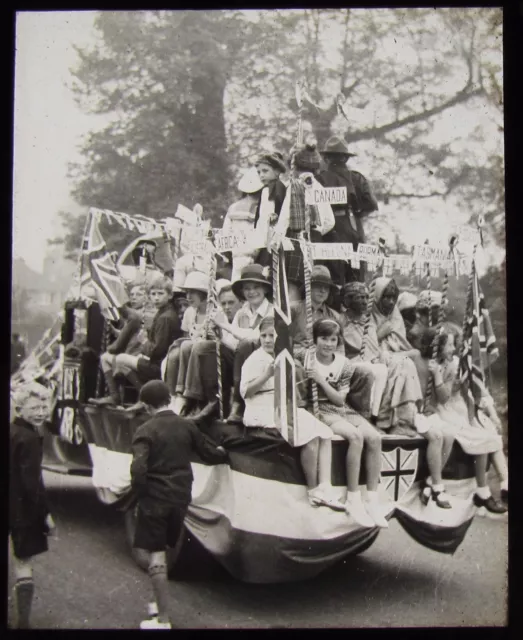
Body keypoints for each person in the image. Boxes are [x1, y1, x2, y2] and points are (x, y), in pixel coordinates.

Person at [130, 380, 228, 629]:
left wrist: (141, 496)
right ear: (169, 399)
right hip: (181, 497)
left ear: (148, 406)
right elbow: (210, 453)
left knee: (155, 555)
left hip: (154, 499)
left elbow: (138, 470)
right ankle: (158, 603)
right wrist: (226, 450)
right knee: (162, 550)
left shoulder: (145, 430)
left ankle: (163, 619)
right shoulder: (187, 426)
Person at [240, 316, 344, 511]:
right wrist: (267, 375)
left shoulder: (280, 356)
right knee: (311, 437)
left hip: (280, 406)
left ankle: (325, 486)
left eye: (273, 335)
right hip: (260, 410)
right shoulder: (255, 359)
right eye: (264, 335)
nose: (268, 340)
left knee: (325, 432)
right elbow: (245, 392)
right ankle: (313, 491)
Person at [416, 326, 508, 513]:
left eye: (453, 344)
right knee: (480, 439)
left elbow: (445, 395)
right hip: (439, 413)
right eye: (449, 344)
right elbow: (440, 400)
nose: (453, 348)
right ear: (438, 346)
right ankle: (478, 491)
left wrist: (438, 375)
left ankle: (484, 490)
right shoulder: (427, 361)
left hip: (448, 410)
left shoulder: (452, 365)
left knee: (486, 438)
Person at [306, 319, 387, 527]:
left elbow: (340, 400)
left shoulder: (343, 364)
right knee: (355, 436)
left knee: (375, 438)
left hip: (340, 407)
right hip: (321, 409)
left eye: (333, 339)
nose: (328, 344)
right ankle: (353, 498)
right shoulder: (307, 358)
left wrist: (321, 380)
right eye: (323, 338)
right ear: (315, 339)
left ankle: (371, 499)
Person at [341, 278, 423, 432]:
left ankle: (403, 417)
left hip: (385, 356)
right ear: (377, 297)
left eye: (394, 298)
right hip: (369, 358)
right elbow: (364, 344)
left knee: (408, 362)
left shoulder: (394, 316)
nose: (391, 302)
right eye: (386, 297)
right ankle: (384, 416)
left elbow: (400, 342)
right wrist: (382, 334)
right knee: (400, 365)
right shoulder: (366, 315)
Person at [10, 383, 56, 629]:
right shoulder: (30, 438)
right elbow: (32, 484)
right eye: (35, 407)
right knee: (23, 562)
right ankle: (23, 623)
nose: (41, 412)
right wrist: (45, 514)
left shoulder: (10, 431)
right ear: (19, 408)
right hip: (21, 510)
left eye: (44, 406)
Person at [212, 264, 274, 424]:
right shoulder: (242, 313)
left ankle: (238, 404)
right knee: (209, 347)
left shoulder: (273, 311)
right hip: (243, 359)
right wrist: (217, 334)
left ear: (265, 289)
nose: (251, 292)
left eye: (256, 287)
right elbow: (233, 343)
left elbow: (255, 338)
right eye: (247, 288)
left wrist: (225, 325)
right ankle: (207, 403)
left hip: (265, 360)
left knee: (246, 343)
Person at [270, 141, 335, 289]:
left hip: (296, 238)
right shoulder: (319, 187)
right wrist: (317, 231)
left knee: (294, 284)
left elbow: (285, 217)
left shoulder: (295, 186)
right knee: (313, 282)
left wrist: (276, 239)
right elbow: (330, 221)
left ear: (296, 167)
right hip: (316, 240)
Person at [316, 136, 378, 285]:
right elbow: (370, 204)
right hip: (353, 225)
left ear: (326, 159)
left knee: (333, 271)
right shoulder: (357, 178)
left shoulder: (319, 179)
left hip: (329, 228)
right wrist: (355, 211)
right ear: (346, 158)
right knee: (355, 271)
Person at [183, 280, 242, 424]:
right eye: (224, 304)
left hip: (242, 361)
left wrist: (220, 335)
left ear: (240, 302)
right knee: (190, 346)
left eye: (231, 303)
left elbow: (237, 346)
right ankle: (196, 399)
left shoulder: (241, 315)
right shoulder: (224, 317)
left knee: (202, 348)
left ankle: (197, 399)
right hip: (228, 359)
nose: (227, 307)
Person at [92, 282, 156, 407]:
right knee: (107, 358)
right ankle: (114, 396)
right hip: (134, 352)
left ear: (146, 297)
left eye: (139, 294)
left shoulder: (142, 314)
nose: (134, 297)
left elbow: (120, 345)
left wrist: (113, 347)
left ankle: (145, 396)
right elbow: (131, 335)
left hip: (144, 354)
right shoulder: (134, 316)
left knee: (116, 360)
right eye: (132, 294)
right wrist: (117, 332)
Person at [116, 275, 182, 398]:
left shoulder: (165, 318)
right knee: (125, 358)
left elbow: (158, 350)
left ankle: (145, 397)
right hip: (158, 361)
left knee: (120, 359)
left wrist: (144, 341)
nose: (156, 298)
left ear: (170, 295)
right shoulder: (164, 313)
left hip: (159, 366)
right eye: (153, 294)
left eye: (160, 294)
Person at [163, 271, 209, 415]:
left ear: (203, 293)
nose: (188, 297)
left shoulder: (214, 311)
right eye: (187, 293)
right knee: (174, 354)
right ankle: (173, 396)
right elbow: (186, 335)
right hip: (190, 349)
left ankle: (185, 396)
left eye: (192, 293)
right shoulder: (190, 312)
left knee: (187, 347)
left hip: (205, 352)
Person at [290, 265, 342, 363]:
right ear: (309, 287)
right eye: (318, 286)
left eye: (326, 287)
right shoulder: (293, 310)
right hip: (296, 360)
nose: (322, 290)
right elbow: (281, 340)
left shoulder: (334, 316)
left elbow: (339, 348)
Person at [222, 167, 264, 281]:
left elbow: (226, 234)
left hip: (236, 256)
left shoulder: (233, 207)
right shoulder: (262, 207)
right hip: (256, 256)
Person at [253, 152, 288, 268]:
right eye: (259, 172)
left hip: (269, 240)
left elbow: (266, 219)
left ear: (277, 171)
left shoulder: (273, 189)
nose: (261, 175)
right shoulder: (272, 188)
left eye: (265, 171)